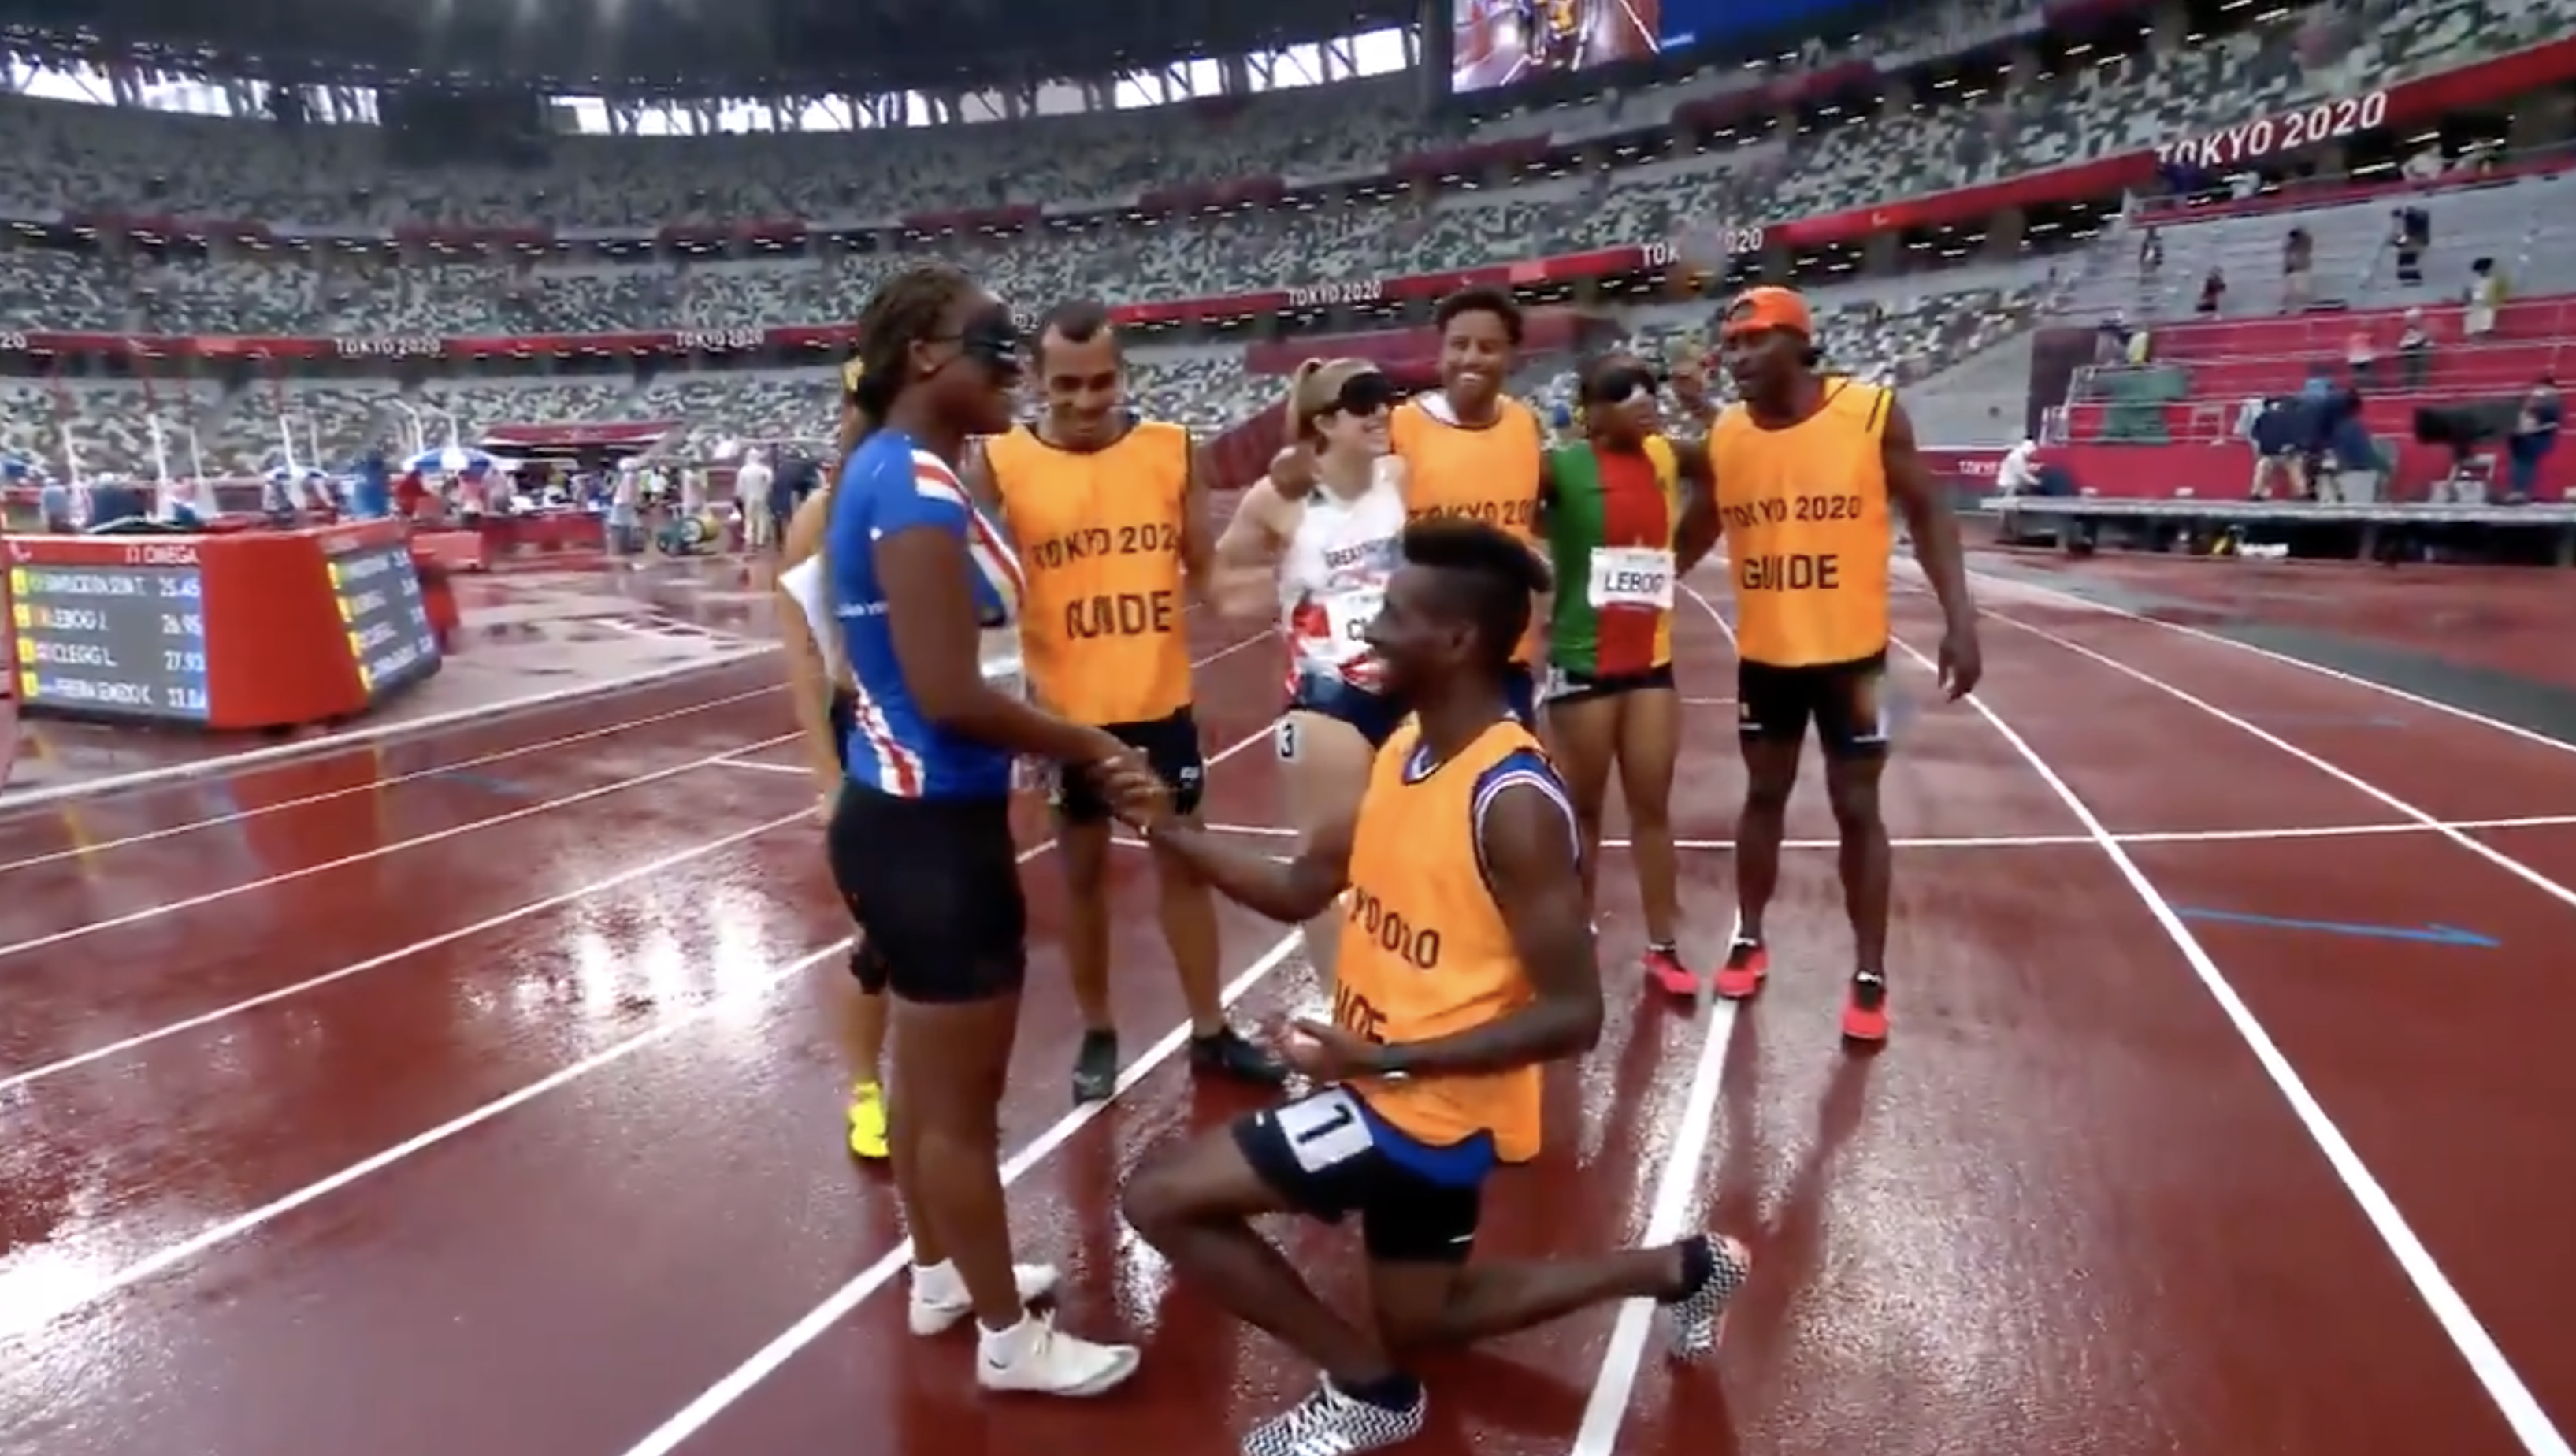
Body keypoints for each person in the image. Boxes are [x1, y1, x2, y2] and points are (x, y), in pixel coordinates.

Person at [1112, 518, 1750, 1455]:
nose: (1369, 630)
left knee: (1161, 1198)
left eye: (1393, 615)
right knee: (1426, 1313)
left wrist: (1388, 1056)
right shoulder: (1406, 744)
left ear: (1456, 640)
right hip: (1387, 1081)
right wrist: (1163, 826)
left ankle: (1368, 1390)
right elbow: (1299, 887)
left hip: (1425, 1104)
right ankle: (1684, 1268)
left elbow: (1576, 1017)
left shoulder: (1517, 803)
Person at [824, 262, 1141, 1395]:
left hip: (903, 819)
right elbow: (952, 693)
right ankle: (1010, 1340)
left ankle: (938, 1272)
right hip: (930, 837)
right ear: (923, 356)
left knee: (924, 1094)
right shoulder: (906, 483)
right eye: (993, 346)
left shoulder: (885, 469)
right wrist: (1093, 745)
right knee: (959, 1112)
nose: (1014, 370)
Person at [971, 299, 1284, 1101]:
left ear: (1124, 375)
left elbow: (1206, 571)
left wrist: (1273, 582)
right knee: (1081, 881)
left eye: (1101, 382)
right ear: (1037, 380)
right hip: (1064, 719)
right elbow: (966, 576)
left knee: (1186, 870)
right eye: (1066, 385)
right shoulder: (1001, 464)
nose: (1084, 401)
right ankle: (1099, 1029)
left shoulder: (1173, 451)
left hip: (1158, 705)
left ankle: (1211, 1032)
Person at [1706, 285, 1984, 1044]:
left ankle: (1869, 972)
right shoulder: (1727, 434)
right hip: (1764, 658)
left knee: (1861, 809)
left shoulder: (1871, 413)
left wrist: (1962, 620)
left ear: (1800, 342)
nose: (1737, 357)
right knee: (1761, 796)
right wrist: (1631, 588)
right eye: (1730, 345)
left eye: (1754, 339)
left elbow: (1928, 510)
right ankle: (1749, 935)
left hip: (1865, 660)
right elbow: (1693, 526)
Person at [1209, 357, 1410, 992]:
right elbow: (1221, 580)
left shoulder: (1398, 476)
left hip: (1408, 690)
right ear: (1326, 419)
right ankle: (1341, 1004)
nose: (1381, 411)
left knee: (1409, 855)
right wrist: (1285, 599)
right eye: (1363, 401)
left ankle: (1406, 994)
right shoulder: (1279, 497)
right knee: (1328, 867)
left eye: (1385, 396)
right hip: (1328, 696)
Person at [1539, 355, 1718, 995]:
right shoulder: (1559, 467)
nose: (1643, 397)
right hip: (1583, 667)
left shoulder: (1669, 456)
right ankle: (1576, 936)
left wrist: (1685, 555)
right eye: (1623, 391)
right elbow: (1501, 510)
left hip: (1650, 666)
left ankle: (1663, 947)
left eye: (1649, 386)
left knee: (1652, 809)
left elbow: (1733, 463)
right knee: (1581, 812)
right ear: (1591, 411)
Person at [778, 358, 893, 1161]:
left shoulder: (942, 492)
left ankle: (935, 1084)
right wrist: (827, 779)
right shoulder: (821, 516)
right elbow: (806, 660)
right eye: (863, 404)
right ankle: (867, 1088)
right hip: (865, 746)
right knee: (879, 939)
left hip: (945, 747)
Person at [1389, 286, 1550, 727]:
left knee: (1501, 786)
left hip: (1508, 653)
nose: (1471, 359)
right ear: (1440, 352)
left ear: (1512, 356)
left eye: (1488, 347)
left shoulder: (1523, 422)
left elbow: (1534, 518)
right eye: (1459, 345)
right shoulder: (1401, 426)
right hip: (1427, 656)